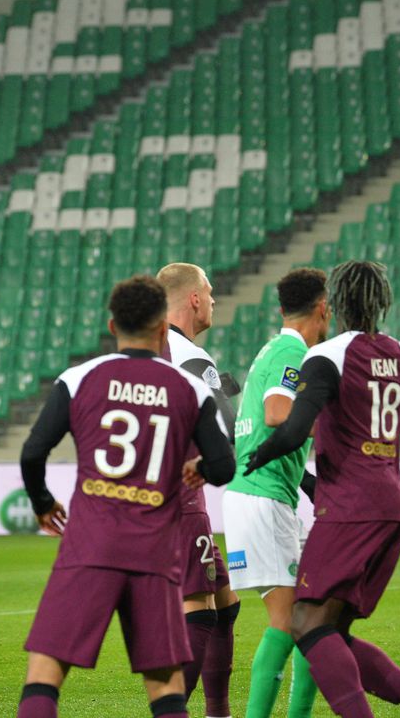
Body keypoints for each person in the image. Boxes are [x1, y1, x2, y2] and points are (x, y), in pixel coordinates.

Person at [243, 260, 400, 718]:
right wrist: (371, 420)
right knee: (332, 634)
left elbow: (292, 431)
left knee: (304, 623)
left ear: (338, 303)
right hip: (391, 504)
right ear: (381, 301)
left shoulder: (329, 355)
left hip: (348, 505)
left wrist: (251, 459)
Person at [17, 275, 235, 718]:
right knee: (167, 690)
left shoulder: (80, 377)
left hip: (89, 546)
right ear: (162, 328)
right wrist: (200, 470)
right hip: (154, 553)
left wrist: (43, 504)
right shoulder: (188, 387)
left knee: (44, 674)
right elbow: (224, 464)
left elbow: (33, 452)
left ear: (113, 326)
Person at [223, 268, 329, 718]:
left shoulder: (276, 347)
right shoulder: (292, 349)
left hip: (266, 496)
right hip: (260, 499)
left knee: (315, 615)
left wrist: (307, 482)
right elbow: (277, 412)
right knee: (289, 623)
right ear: (323, 309)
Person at [156, 262, 241, 718]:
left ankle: (218, 712)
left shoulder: (144, 347)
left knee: (224, 604)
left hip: (147, 495)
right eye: (208, 292)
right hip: (182, 498)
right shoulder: (192, 358)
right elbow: (225, 433)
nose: (212, 301)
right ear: (192, 298)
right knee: (202, 607)